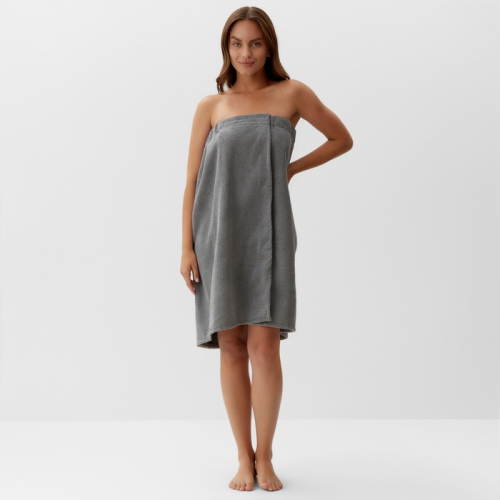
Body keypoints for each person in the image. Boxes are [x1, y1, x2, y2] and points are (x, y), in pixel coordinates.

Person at [180, 6, 353, 492]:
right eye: (236, 44)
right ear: (226, 48)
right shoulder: (210, 106)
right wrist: (186, 247)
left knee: (265, 346)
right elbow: (191, 181)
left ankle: (265, 454)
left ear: (269, 46)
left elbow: (342, 138)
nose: (246, 53)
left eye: (255, 43)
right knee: (231, 346)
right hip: (216, 236)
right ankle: (242, 455)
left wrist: (291, 169)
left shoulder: (292, 94)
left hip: (269, 233)